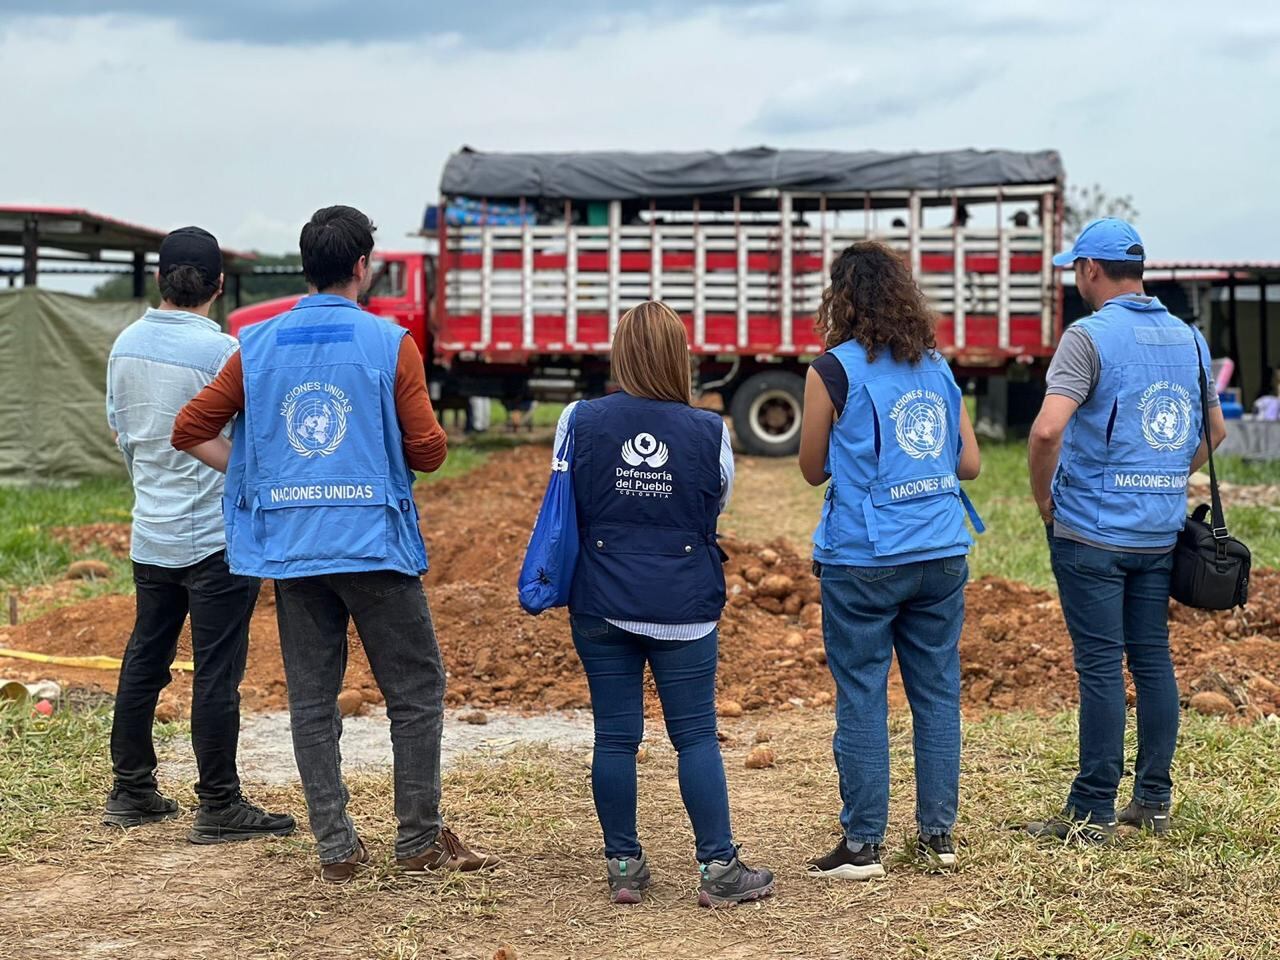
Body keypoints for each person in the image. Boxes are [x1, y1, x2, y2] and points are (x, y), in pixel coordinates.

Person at [172, 206, 494, 882]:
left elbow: (191, 428)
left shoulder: (254, 345)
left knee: (312, 700)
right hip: (373, 547)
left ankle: (336, 849)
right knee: (414, 692)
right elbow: (430, 452)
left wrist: (263, 474)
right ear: (360, 267)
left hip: (293, 549)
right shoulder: (388, 343)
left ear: (305, 266)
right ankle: (417, 842)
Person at [554, 300, 774, 908]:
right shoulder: (710, 430)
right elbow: (715, 503)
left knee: (615, 737)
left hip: (599, 597)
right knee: (696, 736)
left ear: (620, 353)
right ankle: (719, 869)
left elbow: (566, 497)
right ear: (680, 358)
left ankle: (624, 866)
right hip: (685, 602)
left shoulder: (578, 419)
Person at [1025, 218, 1227, 842]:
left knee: (1101, 668)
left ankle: (1091, 810)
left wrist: (1045, 505)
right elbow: (1215, 433)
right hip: (1159, 532)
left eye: (1075, 270)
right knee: (1153, 660)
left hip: (1090, 532)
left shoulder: (1085, 337)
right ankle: (1154, 801)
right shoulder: (1190, 340)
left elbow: (1046, 431)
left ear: (1089, 269)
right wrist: (1166, 474)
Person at [103, 226, 295, 843]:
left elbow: (120, 433)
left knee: (144, 659)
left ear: (160, 279)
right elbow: (253, 439)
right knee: (217, 670)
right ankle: (218, 803)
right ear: (218, 285)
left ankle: (131, 790)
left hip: (150, 530)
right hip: (216, 533)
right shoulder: (223, 354)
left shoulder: (123, 347)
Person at [797, 241, 982, 880]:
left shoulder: (831, 371)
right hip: (941, 552)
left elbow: (812, 468)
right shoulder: (936, 365)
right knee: (936, 694)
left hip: (864, 559)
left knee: (863, 693)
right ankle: (939, 838)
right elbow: (970, 464)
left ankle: (862, 845)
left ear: (839, 300)